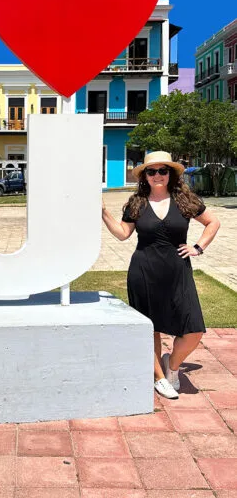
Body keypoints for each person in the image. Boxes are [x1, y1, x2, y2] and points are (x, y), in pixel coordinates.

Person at [102, 151, 220, 400]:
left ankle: (173, 368)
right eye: (151, 171)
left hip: (178, 271)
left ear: (170, 174)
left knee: (193, 329)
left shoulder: (185, 200)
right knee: (150, 327)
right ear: (145, 175)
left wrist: (198, 247)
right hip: (144, 270)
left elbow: (213, 223)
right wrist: (103, 213)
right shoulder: (137, 202)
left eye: (162, 171)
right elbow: (124, 233)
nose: (157, 175)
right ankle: (159, 378)